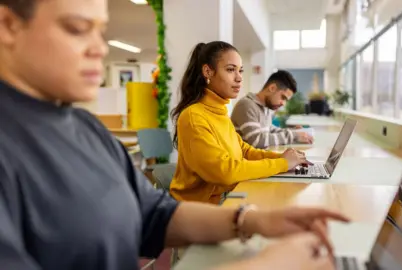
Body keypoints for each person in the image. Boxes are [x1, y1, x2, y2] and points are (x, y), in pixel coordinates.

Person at [0, 1, 349, 269]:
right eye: (77, 28)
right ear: (8, 26)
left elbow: (154, 215)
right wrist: (268, 264)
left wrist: (255, 220)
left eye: (101, 32)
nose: (100, 49)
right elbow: (223, 169)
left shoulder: (86, 128)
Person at [169, 42, 309, 204]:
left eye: (240, 70)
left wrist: (286, 158)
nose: (239, 77)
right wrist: (282, 163)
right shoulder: (193, 116)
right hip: (199, 208)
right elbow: (225, 172)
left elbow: (245, 151)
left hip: (224, 197)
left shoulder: (219, 111)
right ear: (208, 71)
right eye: (230, 69)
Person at [231, 70, 314, 149]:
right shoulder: (246, 105)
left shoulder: (264, 107)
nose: (283, 103)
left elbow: (269, 129)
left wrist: (294, 132)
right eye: (283, 97)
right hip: (245, 161)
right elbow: (257, 141)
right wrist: (293, 135)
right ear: (272, 88)